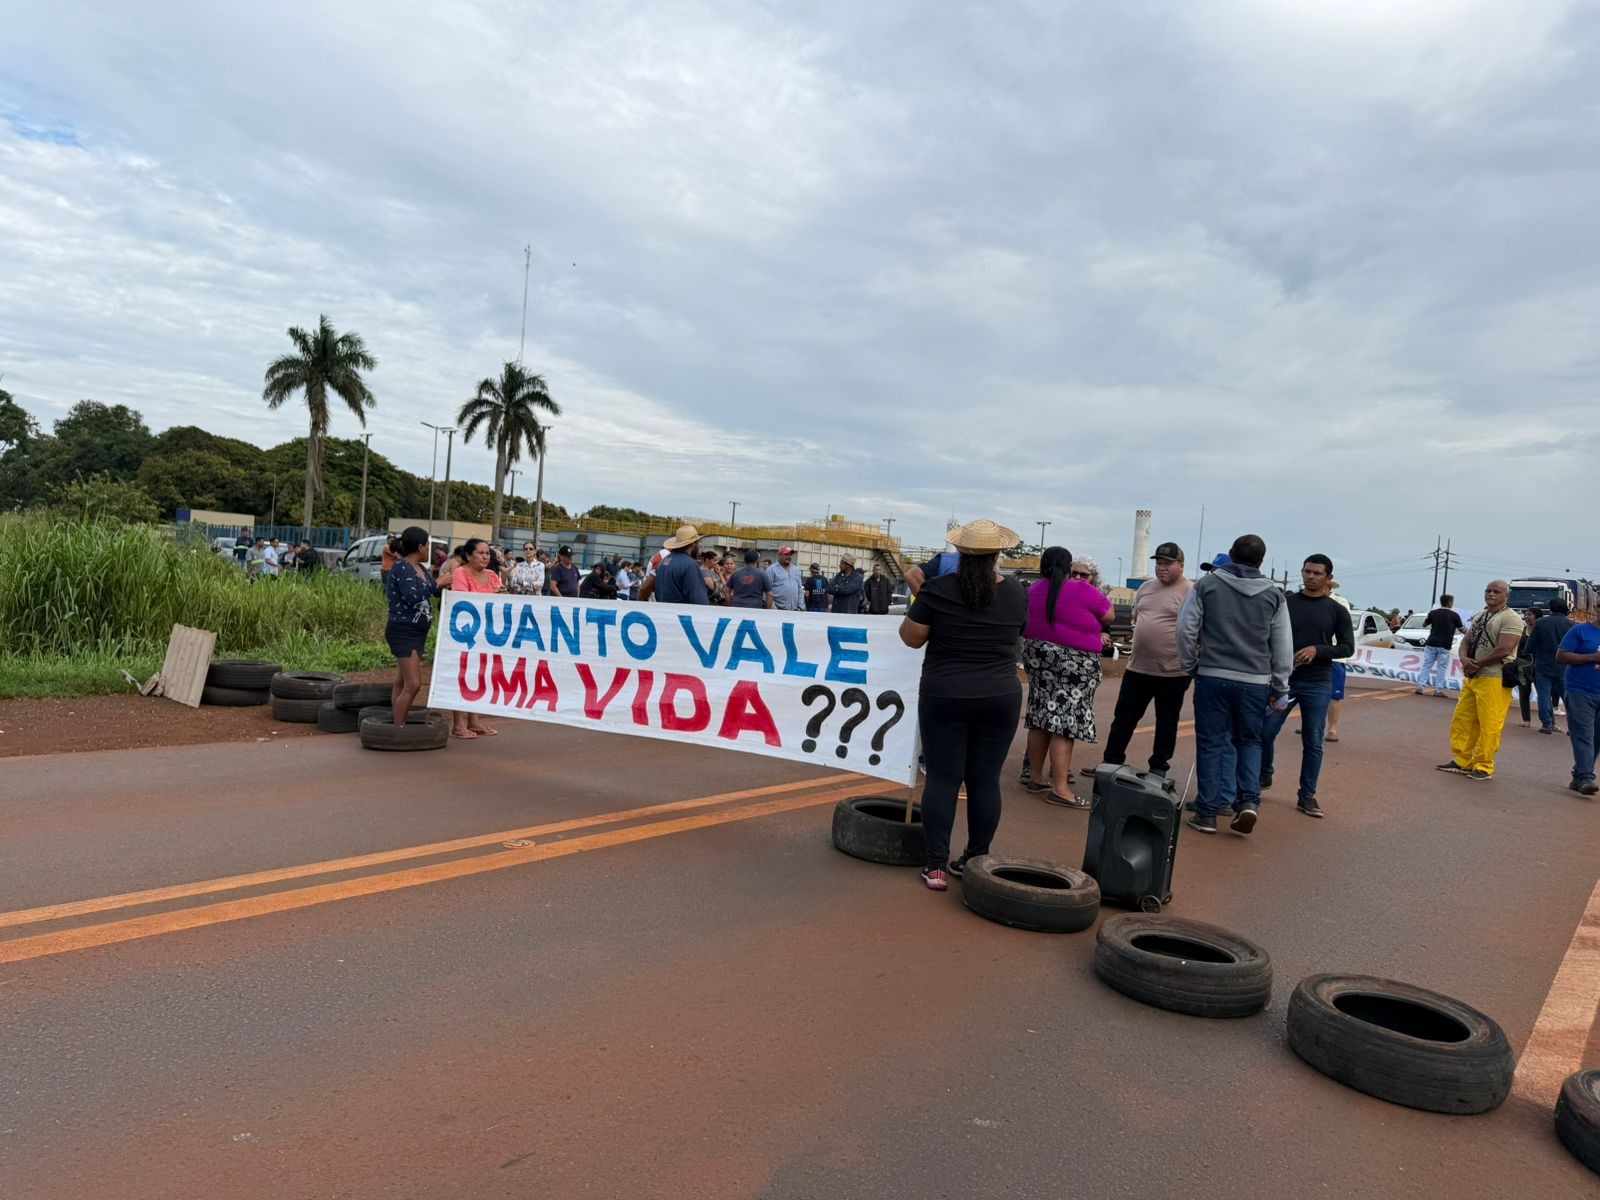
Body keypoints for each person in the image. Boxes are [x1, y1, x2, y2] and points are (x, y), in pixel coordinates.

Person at [898, 520, 1028, 892]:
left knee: (943, 778)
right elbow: (1017, 632)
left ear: (959, 552)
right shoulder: (1018, 592)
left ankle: (936, 866)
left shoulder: (939, 588)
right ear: (997, 554)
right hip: (1000, 694)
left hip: (946, 693)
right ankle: (976, 860)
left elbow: (911, 638)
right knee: (985, 780)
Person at [1175, 534, 1292, 836]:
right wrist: (1280, 686)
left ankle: (1207, 814)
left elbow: (1185, 629)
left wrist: (1191, 666)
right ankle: (1249, 801)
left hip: (1213, 675)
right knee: (1249, 741)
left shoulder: (1206, 585)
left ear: (1231, 554)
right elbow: (1282, 646)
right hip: (1255, 681)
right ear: (1261, 561)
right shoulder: (1274, 595)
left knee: (1211, 743)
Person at [1258, 555, 1355, 819]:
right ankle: (1264, 775)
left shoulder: (1336, 610)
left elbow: (1347, 647)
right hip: (1284, 681)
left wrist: (1318, 650)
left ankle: (1307, 794)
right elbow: (1267, 635)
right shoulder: (1286, 603)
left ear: (1329, 578)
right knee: (1265, 732)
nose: (1310, 577)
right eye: (1307, 572)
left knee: (1313, 741)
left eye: (1317, 573)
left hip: (1318, 683)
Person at [1020, 546, 1113, 808]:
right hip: (1074, 664)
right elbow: (1109, 615)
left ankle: (1036, 778)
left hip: (1039, 659)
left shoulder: (1032, 591)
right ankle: (1061, 789)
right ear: (1068, 568)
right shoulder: (1081, 589)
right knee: (1065, 722)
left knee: (1040, 717)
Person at [1100, 542, 1193, 779]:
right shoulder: (1146, 587)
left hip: (1173, 672)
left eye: (1167, 563)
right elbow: (1138, 617)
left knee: (1166, 722)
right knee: (1124, 718)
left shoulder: (1191, 592)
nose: (1161, 567)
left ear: (1181, 566)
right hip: (1138, 668)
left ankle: (1158, 768)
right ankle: (1111, 761)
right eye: (1158, 563)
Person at [1437, 580, 1525, 781]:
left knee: (1489, 724)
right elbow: (1466, 641)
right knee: (1463, 720)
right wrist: (1464, 659)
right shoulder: (1481, 615)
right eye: (1488, 590)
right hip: (1473, 677)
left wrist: (1476, 664)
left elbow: (1504, 649)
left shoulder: (1511, 618)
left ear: (1506, 596)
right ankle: (1463, 760)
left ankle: (1484, 765)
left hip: (1494, 677)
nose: (1491, 594)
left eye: (1496, 591)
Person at [438, 539, 502, 739]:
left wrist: (505, 594)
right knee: (463, 676)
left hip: (486, 636)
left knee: (479, 676)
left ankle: (474, 721)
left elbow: (502, 602)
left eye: (487, 553)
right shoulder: (460, 573)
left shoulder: (492, 575)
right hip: (465, 636)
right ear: (468, 555)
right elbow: (463, 603)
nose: (485, 557)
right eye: (480, 553)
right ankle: (459, 725)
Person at [381, 526, 440, 727]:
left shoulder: (420, 568)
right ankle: (398, 728)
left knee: (402, 681)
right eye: (428, 545)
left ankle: (398, 722)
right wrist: (437, 583)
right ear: (420, 546)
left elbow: (435, 591)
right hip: (403, 631)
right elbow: (412, 596)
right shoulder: (402, 567)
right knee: (414, 684)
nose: (429, 549)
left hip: (416, 631)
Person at [1556, 603, 1600, 796]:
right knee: (1584, 735)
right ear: (1597, 607)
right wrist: (1593, 657)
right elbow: (1561, 656)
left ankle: (1579, 777)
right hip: (1580, 691)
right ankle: (1586, 777)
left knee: (1596, 738)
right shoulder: (1580, 631)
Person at [1529, 599, 1573, 734]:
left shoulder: (1540, 623)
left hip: (1543, 665)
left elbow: (1530, 646)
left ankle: (1547, 724)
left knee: (1544, 695)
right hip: (1564, 666)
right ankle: (1573, 727)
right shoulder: (1571, 625)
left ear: (1550, 608)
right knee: (1568, 697)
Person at [1418, 594, 1463, 697]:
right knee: (1441, 668)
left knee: (1426, 665)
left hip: (1431, 643)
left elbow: (1424, 624)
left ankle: (1421, 687)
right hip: (1445, 645)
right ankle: (1438, 690)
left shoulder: (1433, 613)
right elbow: (1462, 629)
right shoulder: (1454, 615)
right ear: (1450, 603)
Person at [653, 525, 710, 604]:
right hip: (682, 611)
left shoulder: (663, 562)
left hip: (663, 610)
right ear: (693, 544)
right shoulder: (690, 564)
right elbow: (699, 600)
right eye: (698, 542)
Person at [766, 546, 804, 611]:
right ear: (780, 555)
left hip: (794, 611)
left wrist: (800, 607)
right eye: (786, 554)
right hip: (777, 610)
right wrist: (774, 609)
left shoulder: (796, 570)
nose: (789, 557)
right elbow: (766, 591)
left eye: (790, 555)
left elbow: (800, 590)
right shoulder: (771, 570)